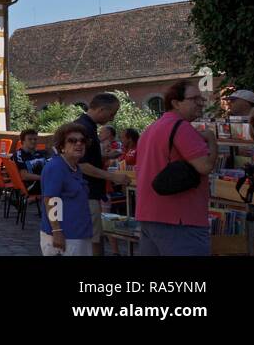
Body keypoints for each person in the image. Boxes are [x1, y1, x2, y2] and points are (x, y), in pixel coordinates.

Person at [134, 80, 217, 256]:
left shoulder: (151, 129)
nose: (201, 104)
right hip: (180, 218)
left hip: (149, 214)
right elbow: (205, 166)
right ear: (176, 103)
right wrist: (211, 140)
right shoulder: (182, 127)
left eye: (201, 99)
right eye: (194, 99)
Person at [74, 93, 130, 255]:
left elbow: (85, 157)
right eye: (112, 113)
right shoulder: (84, 128)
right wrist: (113, 177)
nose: (112, 118)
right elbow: (82, 164)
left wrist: (104, 156)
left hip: (88, 192)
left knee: (94, 237)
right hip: (86, 192)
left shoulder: (86, 126)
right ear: (101, 109)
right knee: (94, 239)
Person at [40, 122, 95, 256]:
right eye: (72, 140)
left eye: (82, 140)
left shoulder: (74, 167)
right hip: (66, 237)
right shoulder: (56, 167)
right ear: (61, 146)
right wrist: (57, 232)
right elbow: (51, 200)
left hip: (79, 234)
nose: (79, 144)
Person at [12, 129, 45, 194]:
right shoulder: (19, 155)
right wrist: (45, 178)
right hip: (31, 186)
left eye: (35, 139)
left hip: (42, 183)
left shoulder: (41, 153)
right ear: (23, 141)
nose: (33, 141)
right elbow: (24, 176)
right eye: (30, 139)